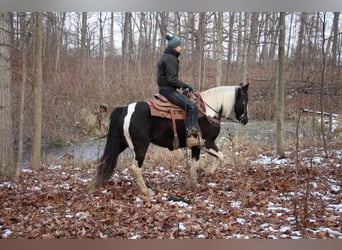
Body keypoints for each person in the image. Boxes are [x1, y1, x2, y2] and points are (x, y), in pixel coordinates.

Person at [156, 34, 203, 147]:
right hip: (168, 91)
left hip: (164, 89)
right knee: (192, 107)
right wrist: (184, 85)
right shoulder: (171, 59)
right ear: (174, 47)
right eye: (179, 46)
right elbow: (171, 80)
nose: (181, 47)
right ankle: (190, 136)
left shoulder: (165, 56)